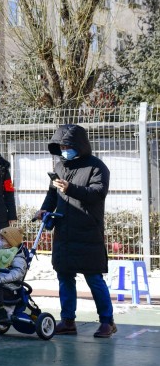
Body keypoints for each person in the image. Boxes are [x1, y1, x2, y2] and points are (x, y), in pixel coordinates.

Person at [34, 124, 116, 338]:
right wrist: (44, 209)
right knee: (65, 276)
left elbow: (98, 193)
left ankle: (107, 321)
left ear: (79, 145)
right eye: (61, 147)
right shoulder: (60, 166)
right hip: (64, 230)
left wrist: (71, 188)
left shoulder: (97, 167)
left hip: (88, 230)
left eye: (67, 146)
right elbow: (52, 193)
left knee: (94, 277)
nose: (64, 150)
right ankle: (68, 320)